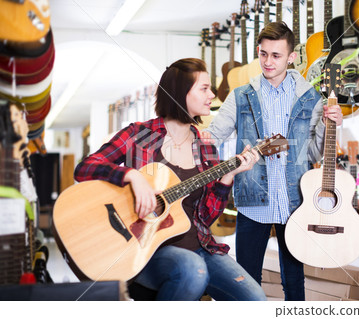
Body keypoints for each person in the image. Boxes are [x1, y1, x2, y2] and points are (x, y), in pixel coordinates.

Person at [74, 58, 266, 301]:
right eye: (204, 88)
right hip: (145, 250)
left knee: (255, 300)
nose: (212, 94)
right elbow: (85, 168)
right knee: (191, 269)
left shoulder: (205, 148)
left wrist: (227, 176)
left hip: (200, 246)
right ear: (180, 93)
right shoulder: (139, 135)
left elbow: (205, 218)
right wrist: (130, 175)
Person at [201, 22, 343, 301]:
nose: (267, 62)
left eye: (276, 55)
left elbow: (313, 154)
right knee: (246, 282)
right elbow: (212, 138)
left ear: (291, 57)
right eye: (263, 54)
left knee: (294, 282)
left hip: (294, 202)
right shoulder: (240, 96)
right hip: (252, 200)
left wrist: (330, 125)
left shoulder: (311, 97)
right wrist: (195, 134)